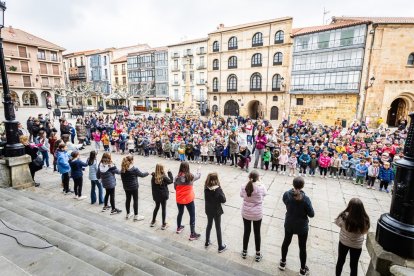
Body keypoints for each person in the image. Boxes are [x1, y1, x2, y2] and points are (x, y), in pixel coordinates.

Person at [279, 177, 314, 276]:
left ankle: (283, 262)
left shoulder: (287, 194)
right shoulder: (305, 199)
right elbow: (311, 214)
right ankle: (302, 269)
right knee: (302, 247)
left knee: (286, 242)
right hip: (302, 226)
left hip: (289, 223)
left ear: (293, 184)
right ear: (303, 186)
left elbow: (285, 201)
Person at [335, 198, 370, 276]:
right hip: (357, 245)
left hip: (344, 242)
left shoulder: (344, 216)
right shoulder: (364, 219)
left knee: (340, 261)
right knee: (354, 265)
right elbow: (365, 231)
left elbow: (337, 223)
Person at [240, 170, 267, 262]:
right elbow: (265, 194)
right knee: (257, 232)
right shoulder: (261, 186)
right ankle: (258, 254)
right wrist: (260, 182)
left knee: (246, 231)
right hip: (257, 213)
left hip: (246, 212)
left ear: (249, 177)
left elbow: (241, 195)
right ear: (258, 178)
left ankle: (244, 251)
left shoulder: (244, 186)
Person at [174, 161, 201, 240]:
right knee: (192, 215)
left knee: (180, 213)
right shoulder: (191, 177)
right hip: (189, 199)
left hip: (179, 199)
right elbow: (198, 176)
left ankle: (179, 227)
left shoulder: (177, 177)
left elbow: (175, 188)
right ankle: (192, 234)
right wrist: (198, 170)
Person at [120, 155, 149, 221]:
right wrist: (147, 173)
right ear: (131, 161)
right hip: (134, 187)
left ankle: (128, 214)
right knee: (135, 200)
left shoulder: (123, 169)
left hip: (126, 187)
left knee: (128, 199)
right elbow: (142, 175)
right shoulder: (134, 169)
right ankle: (136, 216)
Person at [204, 173, 227, 253]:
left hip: (208, 210)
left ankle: (207, 242)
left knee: (209, 225)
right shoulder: (218, 189)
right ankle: (220, 246)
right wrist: (220, 189)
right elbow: (224, 200)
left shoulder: (206, 187)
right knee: (218, 227)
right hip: (216, 211)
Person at [151, 163, 174, 229]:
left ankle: (153, 221)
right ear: (161, 169)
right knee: (163, 209)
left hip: (156, 195)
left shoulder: (153, 176)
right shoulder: (163, 177)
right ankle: (163, 224)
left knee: (157, 207)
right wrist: (169, 173)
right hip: (163, 196)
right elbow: (171, 181)